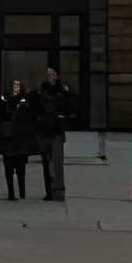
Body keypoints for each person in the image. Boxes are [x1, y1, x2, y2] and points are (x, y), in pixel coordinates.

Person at [33, 67, 73, 201]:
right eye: (48, 75)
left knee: (57, 162)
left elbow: (70, 107)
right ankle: (50, 191)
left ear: (56, 76)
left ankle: (58, 191)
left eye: (52, 74)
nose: (50, 77)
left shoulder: (61, 91)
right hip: (45, 130)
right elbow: (35, 106)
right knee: (46, 162)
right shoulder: (41, 92)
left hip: (56, 130)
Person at [0, 79, 35, 201]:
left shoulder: (20, 104)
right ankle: (14, 192)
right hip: (13, 140)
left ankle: (18, 192)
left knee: (17, 168)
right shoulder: (11, 103)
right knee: (14, 168)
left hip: (15, 140)